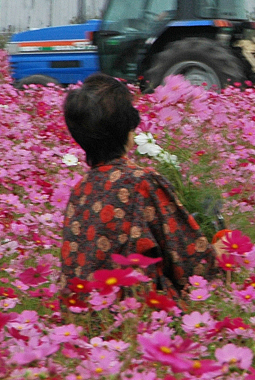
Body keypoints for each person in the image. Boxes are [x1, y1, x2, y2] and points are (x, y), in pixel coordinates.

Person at [58, 74, 221, 295]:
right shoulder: (141, 182)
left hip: (83, 317)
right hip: (139, 316)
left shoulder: (79, 190)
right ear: (128, 129)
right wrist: (222, 248)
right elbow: (191, 264)